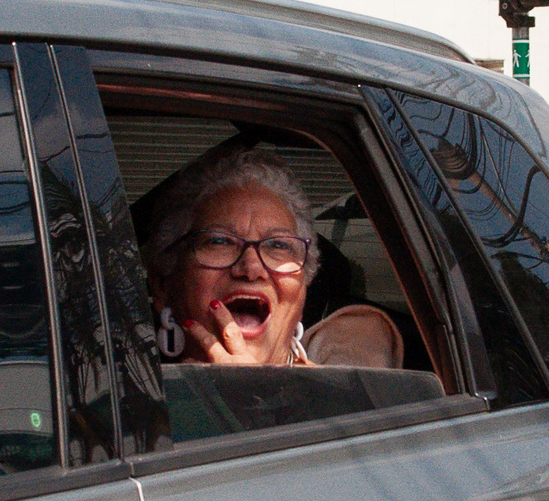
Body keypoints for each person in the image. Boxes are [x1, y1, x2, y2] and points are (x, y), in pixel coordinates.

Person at [142, 148, 400, 369]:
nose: (252, 267)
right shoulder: (123, 390)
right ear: (163, 285)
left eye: (278, 245)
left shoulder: (337, 387)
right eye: (219, 241)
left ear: (302, 289)